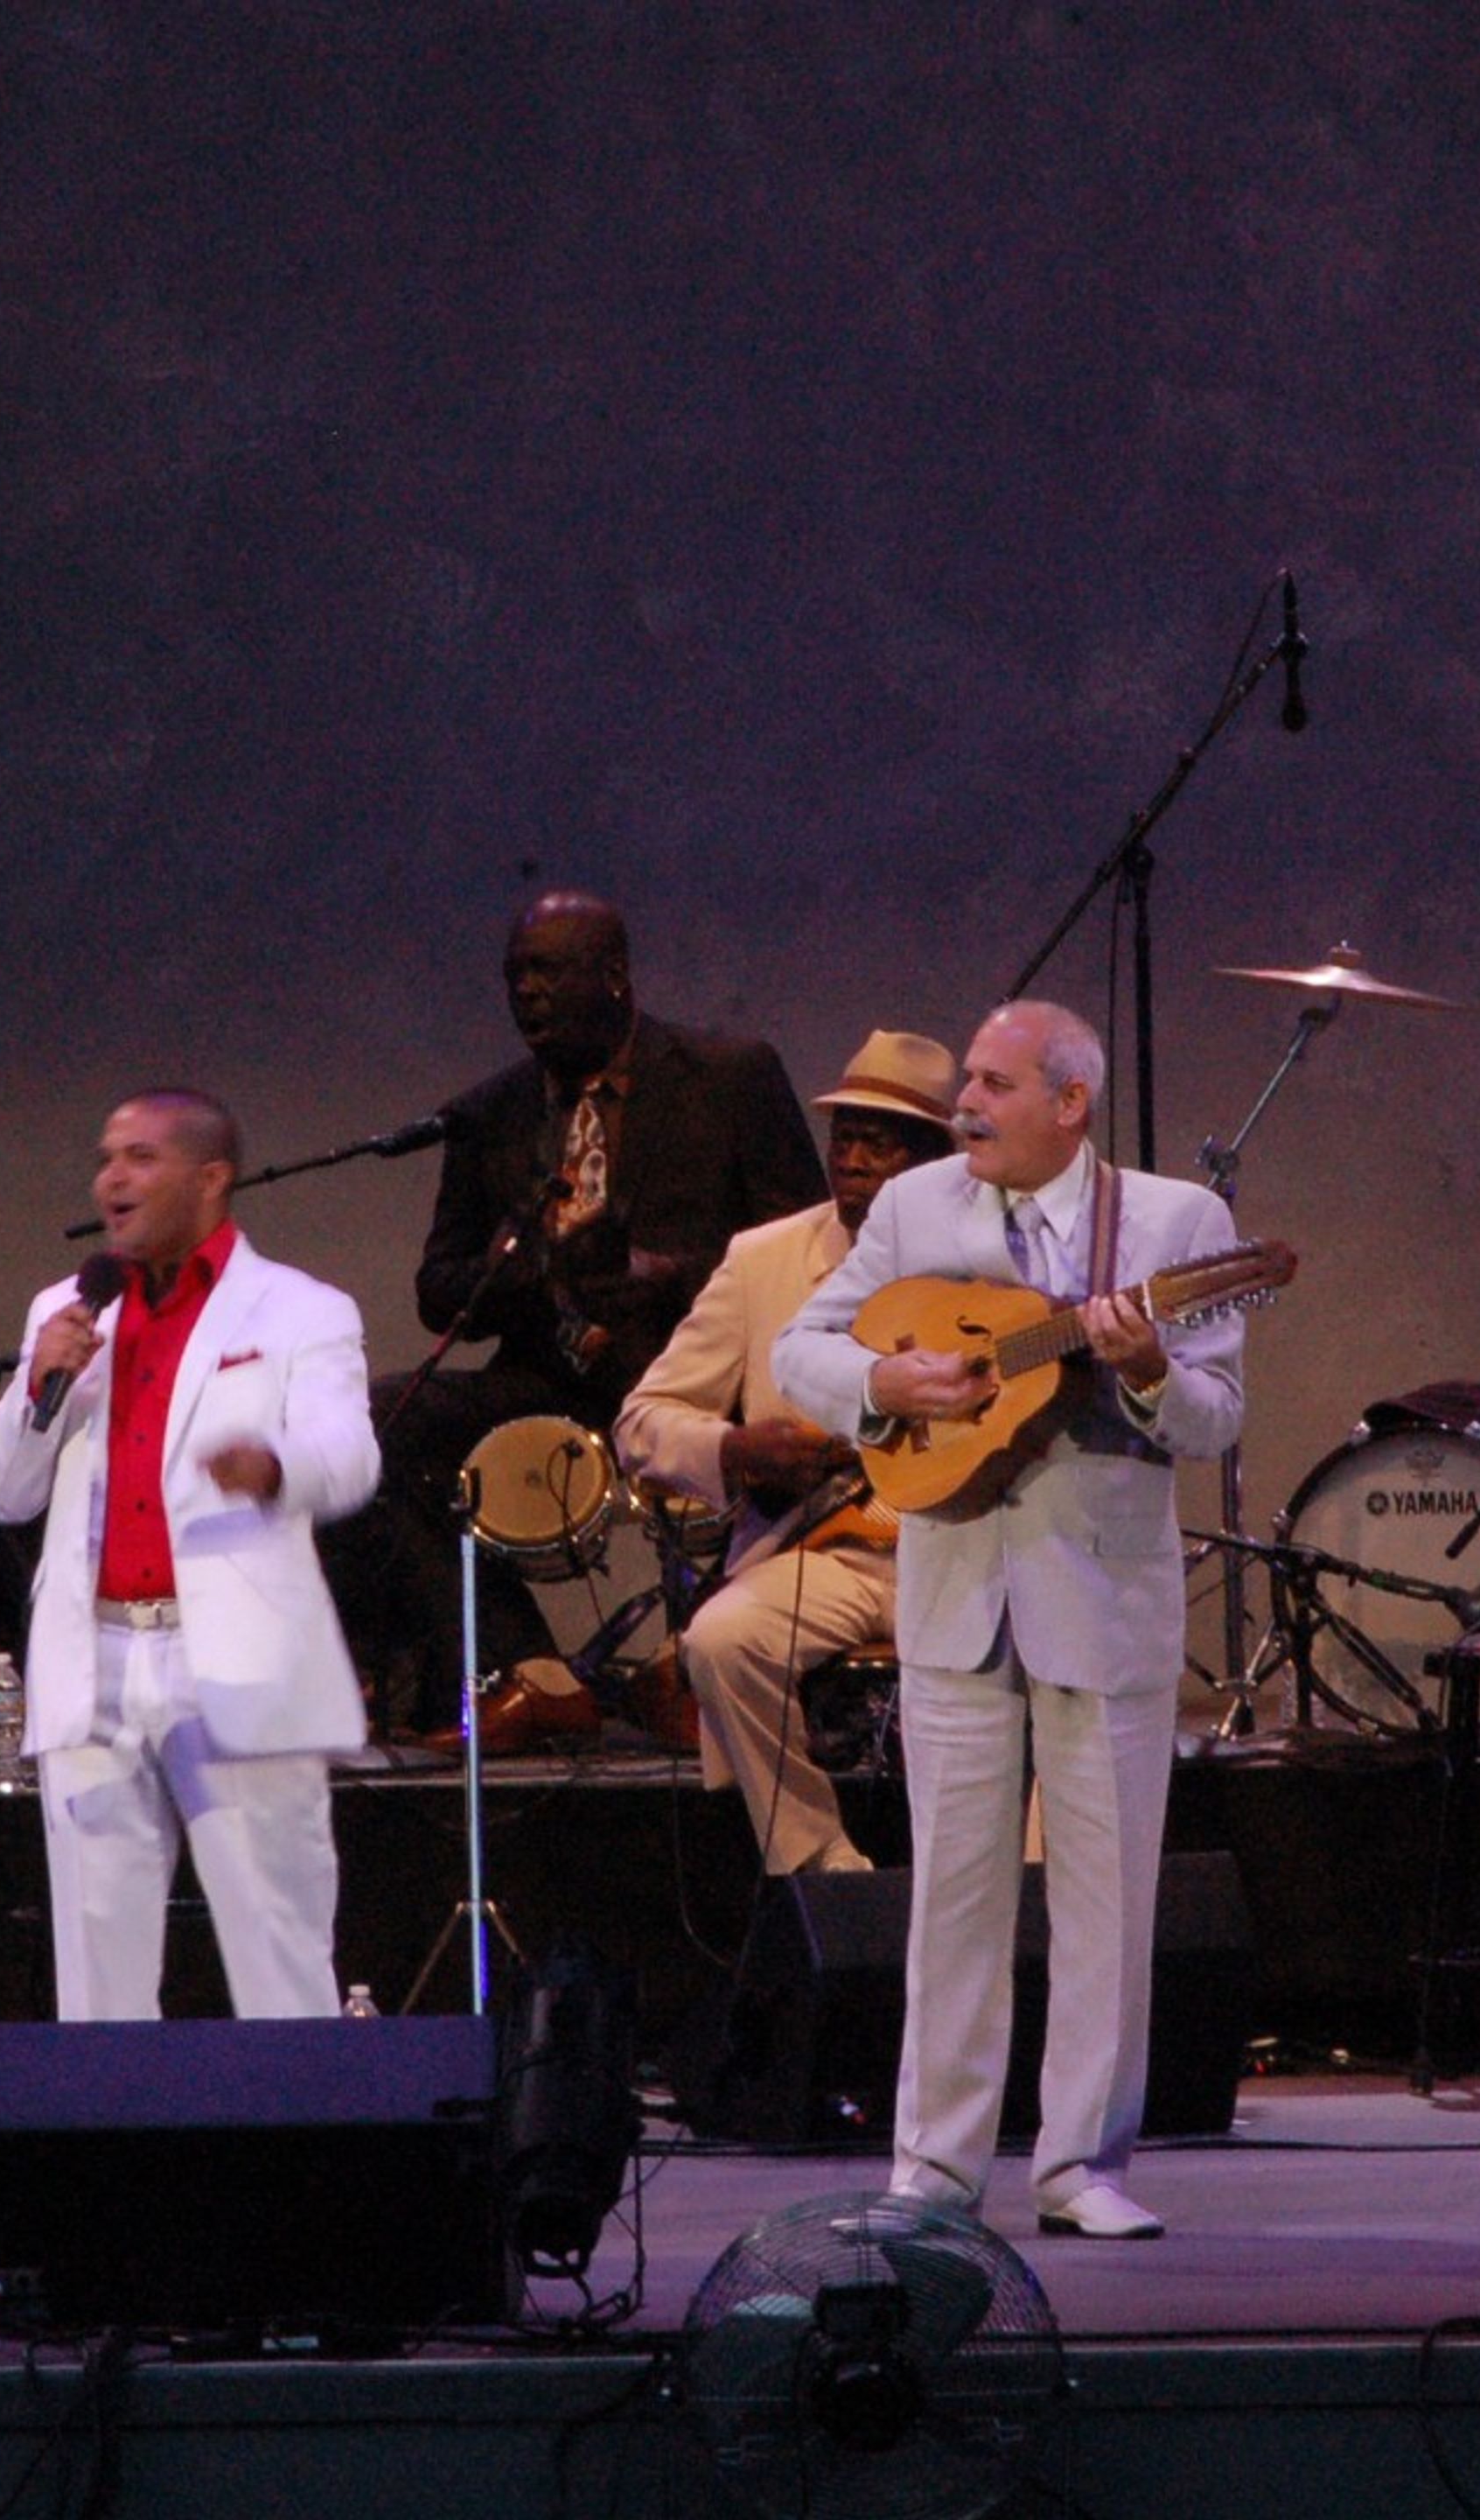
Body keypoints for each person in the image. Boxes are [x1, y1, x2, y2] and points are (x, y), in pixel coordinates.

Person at [774, 1002, 1245, 2240]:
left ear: (1071, 1103)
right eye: (968, 1083)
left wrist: (1144, 1368)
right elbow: (797, 1352)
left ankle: (1082, 2166)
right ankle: (932, 2174)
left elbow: (1215, 1417)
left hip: (1103, 1600)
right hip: (957, 1601)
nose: (965, 1105)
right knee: (953, 1900)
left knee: (1108, 1906)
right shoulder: (914, 1208)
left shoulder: (1175, 1227)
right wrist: (884, 1381)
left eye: (993, 1084)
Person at [325, 890, 824, 1732]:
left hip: (699, 1380)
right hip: (552, 1382)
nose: (528, 992)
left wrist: (673, 1277)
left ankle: (703, 1669)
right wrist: (525, 1271)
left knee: (798, 1434)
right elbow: (439, 1291)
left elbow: (808, 1246)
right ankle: (529, 1673)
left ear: (615, 975)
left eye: (549, 972)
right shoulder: (489, 1113)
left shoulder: (728, 1077)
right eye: (516, 976)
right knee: (374, 1426)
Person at [0, 1089, 379, 2018]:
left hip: (234, 1662)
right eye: (106, 1158)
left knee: (280, 1963)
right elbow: (6, 1492)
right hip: (93, 1662)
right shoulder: (68, 1311)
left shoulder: (300, 1309)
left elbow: (351, 1457)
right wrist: (39, 1386)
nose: (111, 1179)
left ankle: (302, 2114)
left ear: (210, 1178)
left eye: (141, 1157)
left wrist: (275, 1466)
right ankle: (111, 2119)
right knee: (96, 1982)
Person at [603, 1031, 959, 1870]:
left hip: (956, 1554)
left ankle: (1025, 1883)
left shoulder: (989, 1261)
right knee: (721, 1640)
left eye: (881, 1143)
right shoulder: (764, 1261)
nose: (854, 1161)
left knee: (1053, 1650)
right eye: (845, 1138)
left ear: (937, 1162)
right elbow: (641, 1420)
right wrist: (735, 1450)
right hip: (824, 1550)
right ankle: (821, 1864)